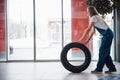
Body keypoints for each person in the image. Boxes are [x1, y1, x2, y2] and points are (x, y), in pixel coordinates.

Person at [79, 6, 116, 73]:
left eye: (88, 11)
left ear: (91, 11)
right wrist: (88, 40)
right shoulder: (97, 17)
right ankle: (112, 68)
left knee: (102, 51)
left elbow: (88, 29)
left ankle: (99, 69)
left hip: (107, 34)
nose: (87, 13)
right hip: (108, 34)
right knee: (105, 52)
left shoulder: (93, 18)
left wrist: (81, 39)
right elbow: (93, 31)